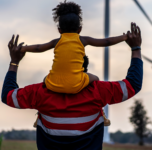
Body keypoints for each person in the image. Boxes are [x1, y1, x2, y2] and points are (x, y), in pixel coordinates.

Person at [1, 23, 143, 150]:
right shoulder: (98, 91)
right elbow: (133, 84)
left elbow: (8, 95)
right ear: (84, 70)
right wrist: (135, 49)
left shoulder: (40, 93)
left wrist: (14, 62)